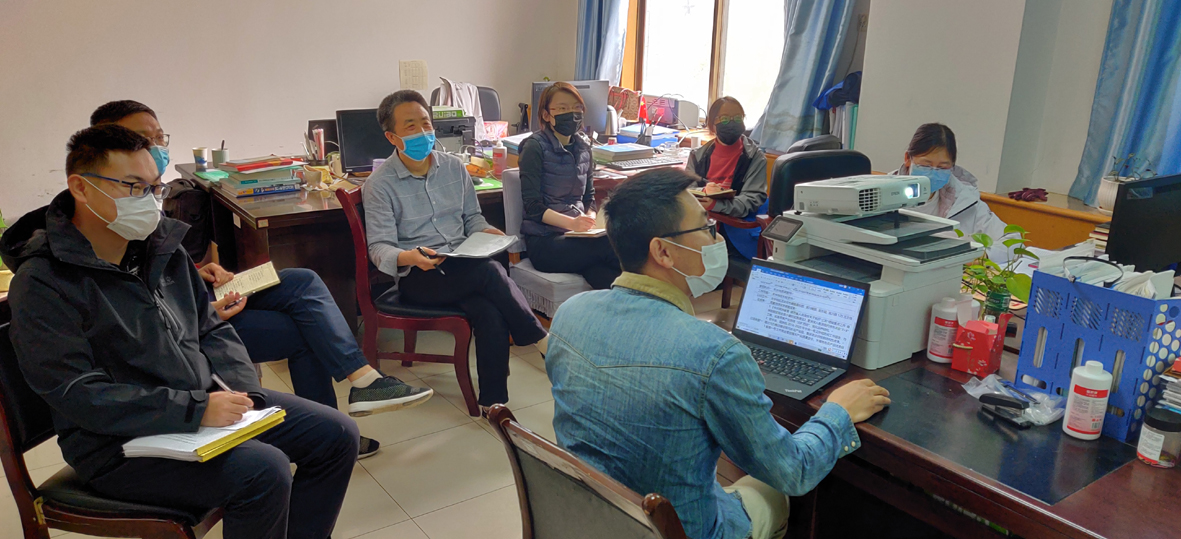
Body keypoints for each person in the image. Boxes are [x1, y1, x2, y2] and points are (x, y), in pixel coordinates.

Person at [0, 125, 359, 539]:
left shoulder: (160, 247)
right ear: (81, 188)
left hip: (198, 407)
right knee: (263, 471)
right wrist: (193, 409)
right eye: (133, 187)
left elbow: (210, 328)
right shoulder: (43, 282)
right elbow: (76, 393)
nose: (149, 202)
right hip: (117, 444)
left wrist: (244, 392)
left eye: (154, 188)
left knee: (336, 435)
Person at [544, 167, 891, 539]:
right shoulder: (713, 353)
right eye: (706, 228)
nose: (717, 238)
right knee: (775, 493)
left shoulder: (570, 314)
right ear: (663, 251)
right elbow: (793, 471)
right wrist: (838, 412)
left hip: (595, 519)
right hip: (679, 530)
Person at [90, 100, 433, 459]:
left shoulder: (144, 198)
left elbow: (156, 270)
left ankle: (360, 385)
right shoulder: (107, 216)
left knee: (302, 281)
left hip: (197, 300)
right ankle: (335, 429)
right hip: (189, 327)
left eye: (159, 138)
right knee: (309, 327)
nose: (155, 148)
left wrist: (195, 272)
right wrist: (203, 311)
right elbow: (132, 314)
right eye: (142, 139)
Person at [363, 90, 548, 414]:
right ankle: (540, 340)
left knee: (489, 311)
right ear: (392, 137)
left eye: (426, 123)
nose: (423, 132)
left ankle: (493, 402)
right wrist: (410, 257)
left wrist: (487, 233)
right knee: (490, 272)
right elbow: (379, 248)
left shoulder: (454, 167)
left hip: (462, 266)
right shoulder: (379, 184)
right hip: (420, 276)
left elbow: (472, 219)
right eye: (411, 126)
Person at [517, 82, 621, 289]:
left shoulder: (583, 147)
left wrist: (589, 219)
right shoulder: (534, 147)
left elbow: (589, 198)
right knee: (610, 247)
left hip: (577, 237)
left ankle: (633, 304)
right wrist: (572, 224)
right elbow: (533, 207)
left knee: (606, 275)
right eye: (563, 108)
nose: (571, 114)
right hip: (545, 241)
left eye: (576, 108)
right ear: (546, 115)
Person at [893, 123, 1011, 261]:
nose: (933, 172)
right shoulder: (880, 196)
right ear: (908, 159)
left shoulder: (964, 200)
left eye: (942, 167)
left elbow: (1012, 242)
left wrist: (980, 256)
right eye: (925, 165)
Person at [686, 96, 768, 260]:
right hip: (699, 226)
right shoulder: (698, 156)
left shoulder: (755, 158)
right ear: (712, 124)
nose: (731, 123)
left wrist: (715, 204)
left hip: (735, 230)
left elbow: (750, 200)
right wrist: (705, 191)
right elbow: (686, 192)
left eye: (737, 118)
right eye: (724, 119)